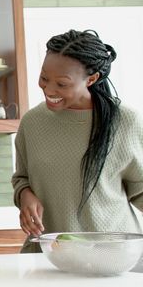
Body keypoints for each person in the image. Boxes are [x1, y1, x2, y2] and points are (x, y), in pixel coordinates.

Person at [12, 30, 143, 252]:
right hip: (49, 255)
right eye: (44, 78)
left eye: (62, 84)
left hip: (114, 257)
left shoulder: (125, 121)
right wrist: (25, 195)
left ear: (91, 79)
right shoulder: (32, 122)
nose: (49, 89)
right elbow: (22, 178)